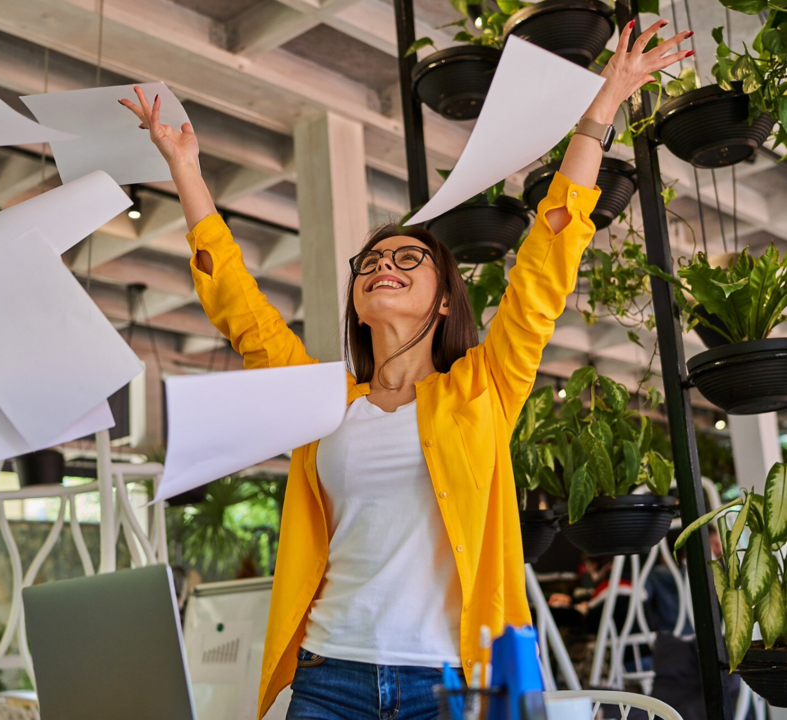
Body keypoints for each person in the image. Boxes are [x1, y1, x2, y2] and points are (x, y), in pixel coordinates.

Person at [122, 20, 693, 720]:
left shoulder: (484, 386)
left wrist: (597, 114)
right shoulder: (320, 401)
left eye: (406, 259)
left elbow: (546, 267)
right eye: (371, 263)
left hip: (451, 683)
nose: (383, 267)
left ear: (445, 295)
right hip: (330, 678)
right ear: (358, 304)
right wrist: (185, 171)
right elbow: (242, 311)